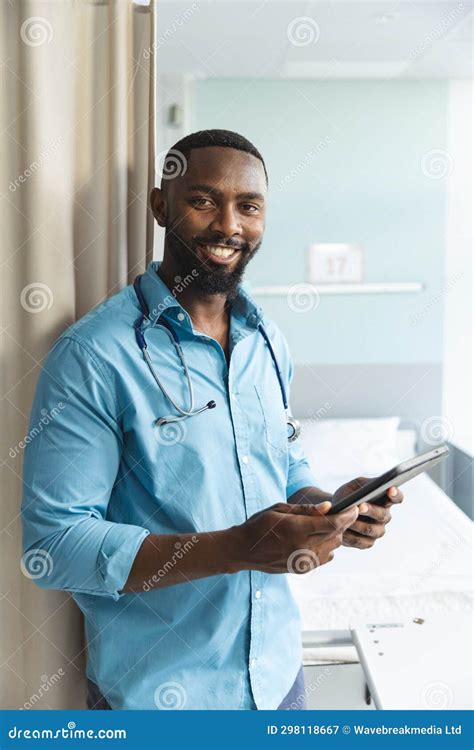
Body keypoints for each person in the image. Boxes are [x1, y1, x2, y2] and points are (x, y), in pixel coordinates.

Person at [21, 129, 403, 710]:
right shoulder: (94, 356)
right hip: (159, 703)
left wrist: (328, 509)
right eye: (204, 201)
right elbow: (55, 544)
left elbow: (284, 457)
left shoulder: (266, 340)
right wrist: (239, 548)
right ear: (160, 207)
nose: (230, 226)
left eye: (248, 206)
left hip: (278, 679)